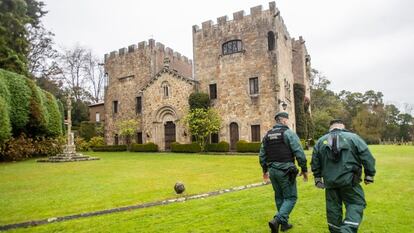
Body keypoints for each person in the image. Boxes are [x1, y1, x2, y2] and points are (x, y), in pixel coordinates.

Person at [311, 119, 376, 233]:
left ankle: (336, 230)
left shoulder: (320, 141)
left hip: (330, 182)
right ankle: (347, 230)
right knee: (356, 203)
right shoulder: (354, 138)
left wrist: (317, 178)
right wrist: (369, 175)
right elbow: (367, 156)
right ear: (343, 127)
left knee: (333, 209)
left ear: (330, 128)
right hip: (350, 181)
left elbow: (315, 161)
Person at [259, 111, 308, 233]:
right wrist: (304, 169)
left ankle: (284, 225)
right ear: (284, 120)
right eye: (287, 119)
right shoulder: (289, 133)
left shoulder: (267, 135)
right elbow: (299, 153)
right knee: (291, 197)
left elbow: (262, 155)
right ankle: (277, 220)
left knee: (279, 197)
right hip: (286, 171)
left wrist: (265, 170)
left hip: (273, 171)